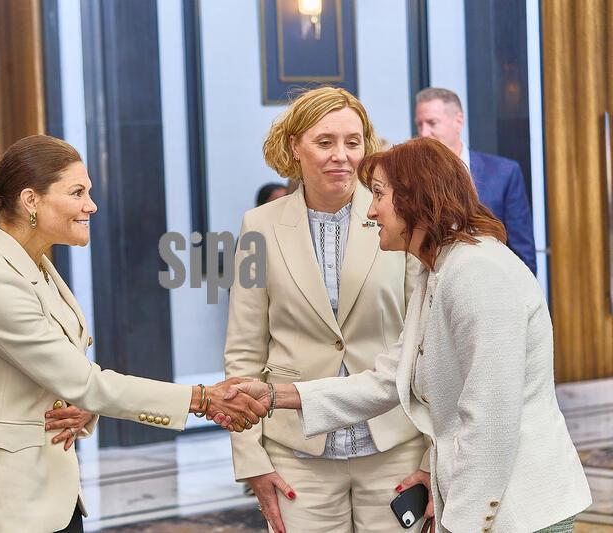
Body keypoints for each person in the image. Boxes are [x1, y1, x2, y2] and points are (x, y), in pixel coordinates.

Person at [228, 137, 591, 532]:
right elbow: (389, 378)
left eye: (379, 194)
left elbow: (491, 422)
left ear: (416, 199)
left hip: (521, 511)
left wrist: (462, 525)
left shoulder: (478, 273)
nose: (371, 210)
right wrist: (275, 395)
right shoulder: (437, 270)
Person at [0, 134, 266, 533]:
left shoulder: (34, 266)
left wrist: (85, 404)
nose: (91, 205)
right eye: (77, 192)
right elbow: (83, 381)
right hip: (3, 505)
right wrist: (201, 398)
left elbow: (63, 377)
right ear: (31, 201)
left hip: (47, 494)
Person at [224, 86, 425, 533]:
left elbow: (428, 343)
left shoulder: (400, 218)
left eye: (353, 142)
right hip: (297, 456)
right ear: (295, 146)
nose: (341, 156)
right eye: (324, 142)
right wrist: (250, 458)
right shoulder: (257, 227)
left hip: (396, 446)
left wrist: (433, 455)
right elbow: (243, 351)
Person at [414, 87, 537, 274]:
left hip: (493, 284)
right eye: (419, 124)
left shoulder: (503, 173)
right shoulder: (414, 178)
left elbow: (523, 253)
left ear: (458, 121)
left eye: (432, 123)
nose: (424, 133)